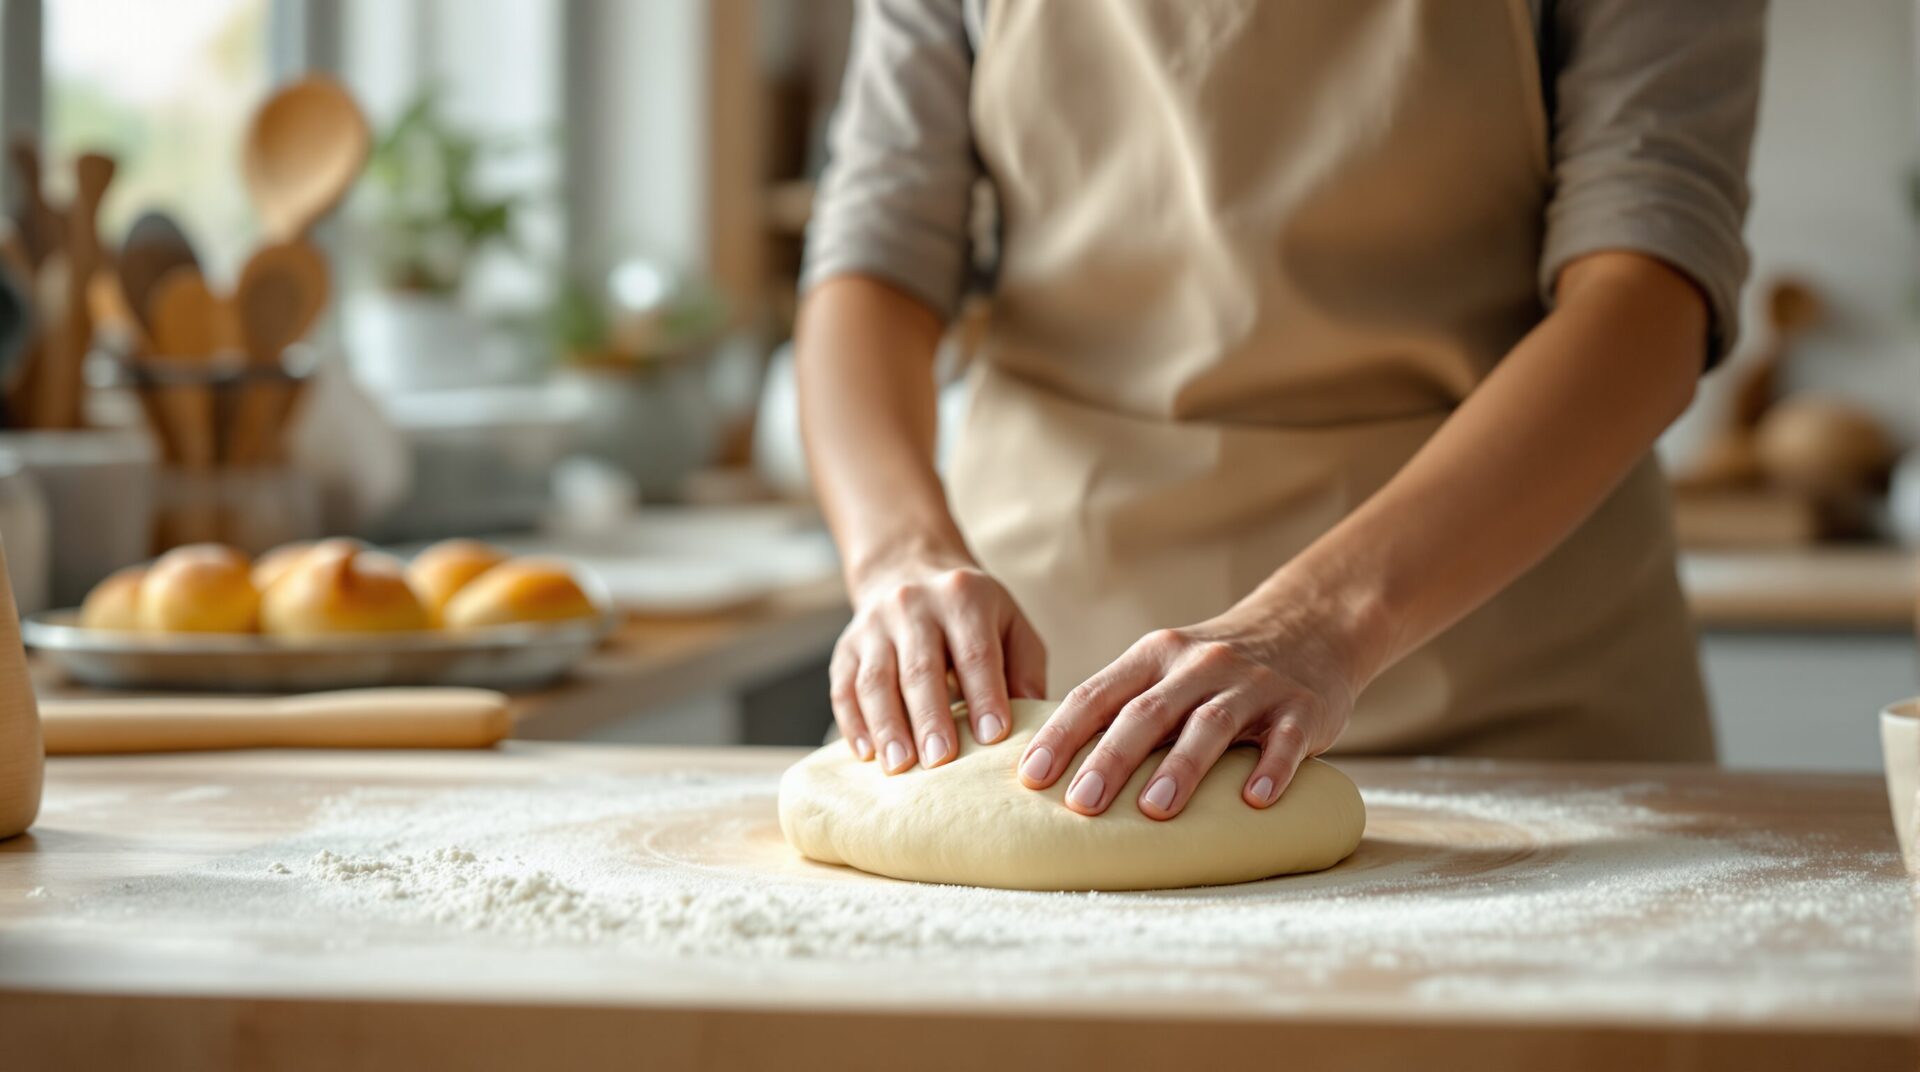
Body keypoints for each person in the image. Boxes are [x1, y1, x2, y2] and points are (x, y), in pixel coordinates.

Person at [795, 0, 1763, 821]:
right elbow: (876, 256)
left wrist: (1322, 620)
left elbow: (1645, 296)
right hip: (1049, 700)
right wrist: (899, 557)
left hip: (1512, 681)